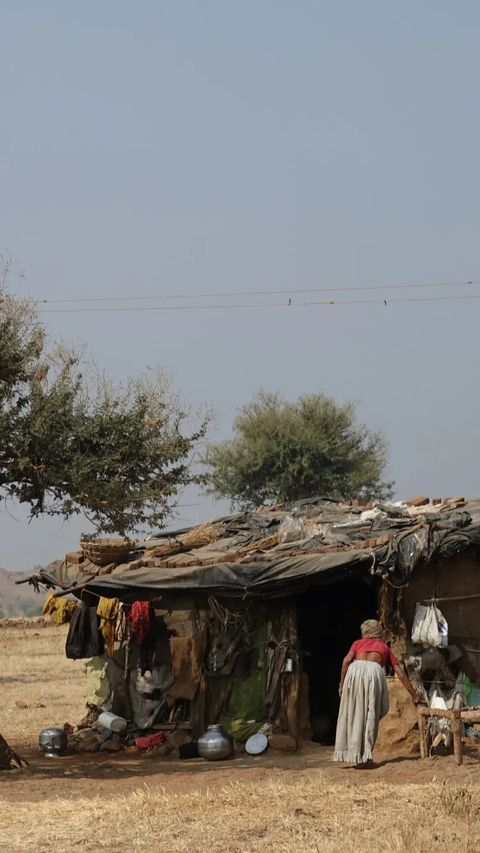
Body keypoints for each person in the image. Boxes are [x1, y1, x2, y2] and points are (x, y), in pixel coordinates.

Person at [333, 619, 422, 767]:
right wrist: (415, 696)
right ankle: (366, 757)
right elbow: (400, 674)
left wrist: (342, 684)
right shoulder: (384, 648)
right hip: (373, 673)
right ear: (378, 632)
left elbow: (346, 660)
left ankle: (352, 753)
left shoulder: (357, 643)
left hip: (354, 672)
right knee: (370, 715)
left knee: (354, 713)